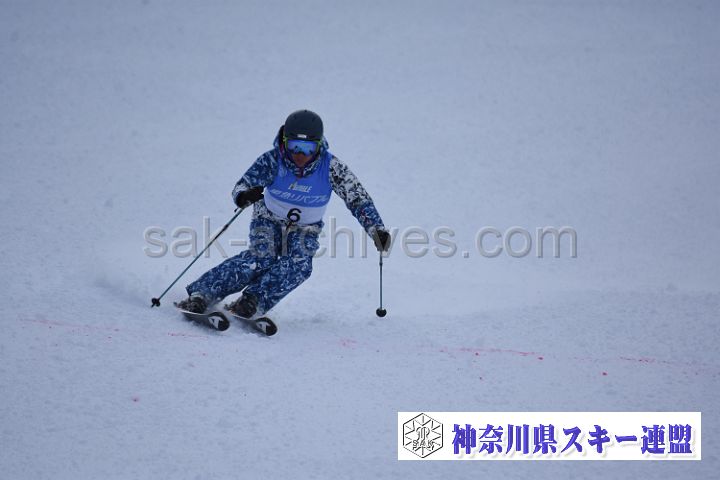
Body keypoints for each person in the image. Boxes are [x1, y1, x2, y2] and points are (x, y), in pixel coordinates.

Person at [176, 110, 391, 317]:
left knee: (300, 265)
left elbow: (358, 200)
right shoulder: (272, 160)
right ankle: (202, 294)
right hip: (268, 217)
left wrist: (377, 230)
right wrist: (244, 196)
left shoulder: (332, 167)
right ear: (284, 142)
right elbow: (242, 185)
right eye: (294, 146)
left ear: (319, 146)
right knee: (262, 257)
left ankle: (252, 301)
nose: (300, 155)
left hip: (306, 227)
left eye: (307, 148)